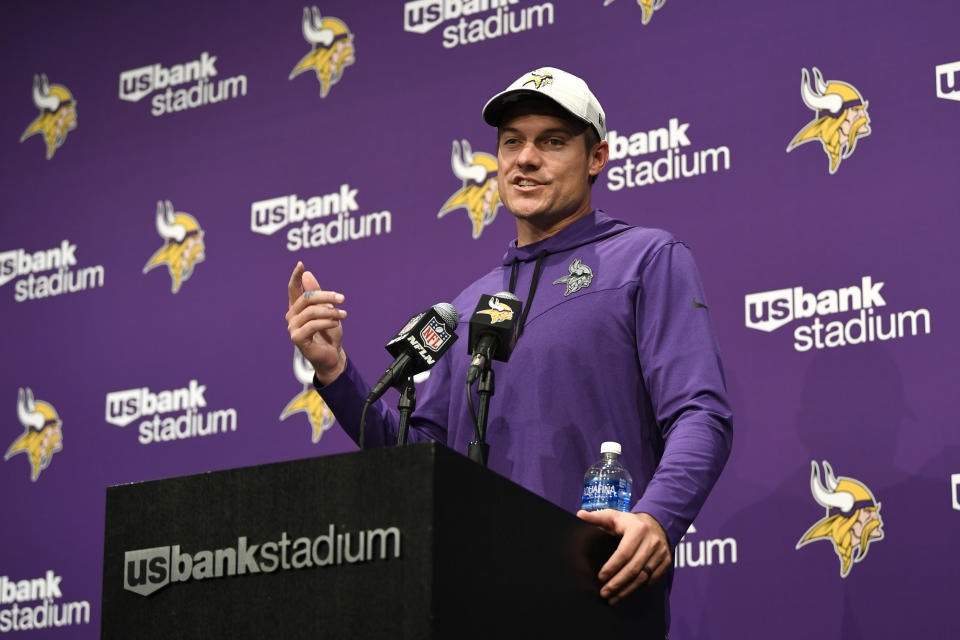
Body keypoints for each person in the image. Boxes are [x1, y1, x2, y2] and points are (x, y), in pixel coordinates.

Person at [285, 66, 732, 625]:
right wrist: (336, 374)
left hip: (598, 586)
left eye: (552, 142)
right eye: (512, 143)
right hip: (475, 600)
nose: (525, 159)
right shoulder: (469, 305)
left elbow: (699, 413)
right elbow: (418, 463)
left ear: (597, 158)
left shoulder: (647, 259)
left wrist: (658, 518)